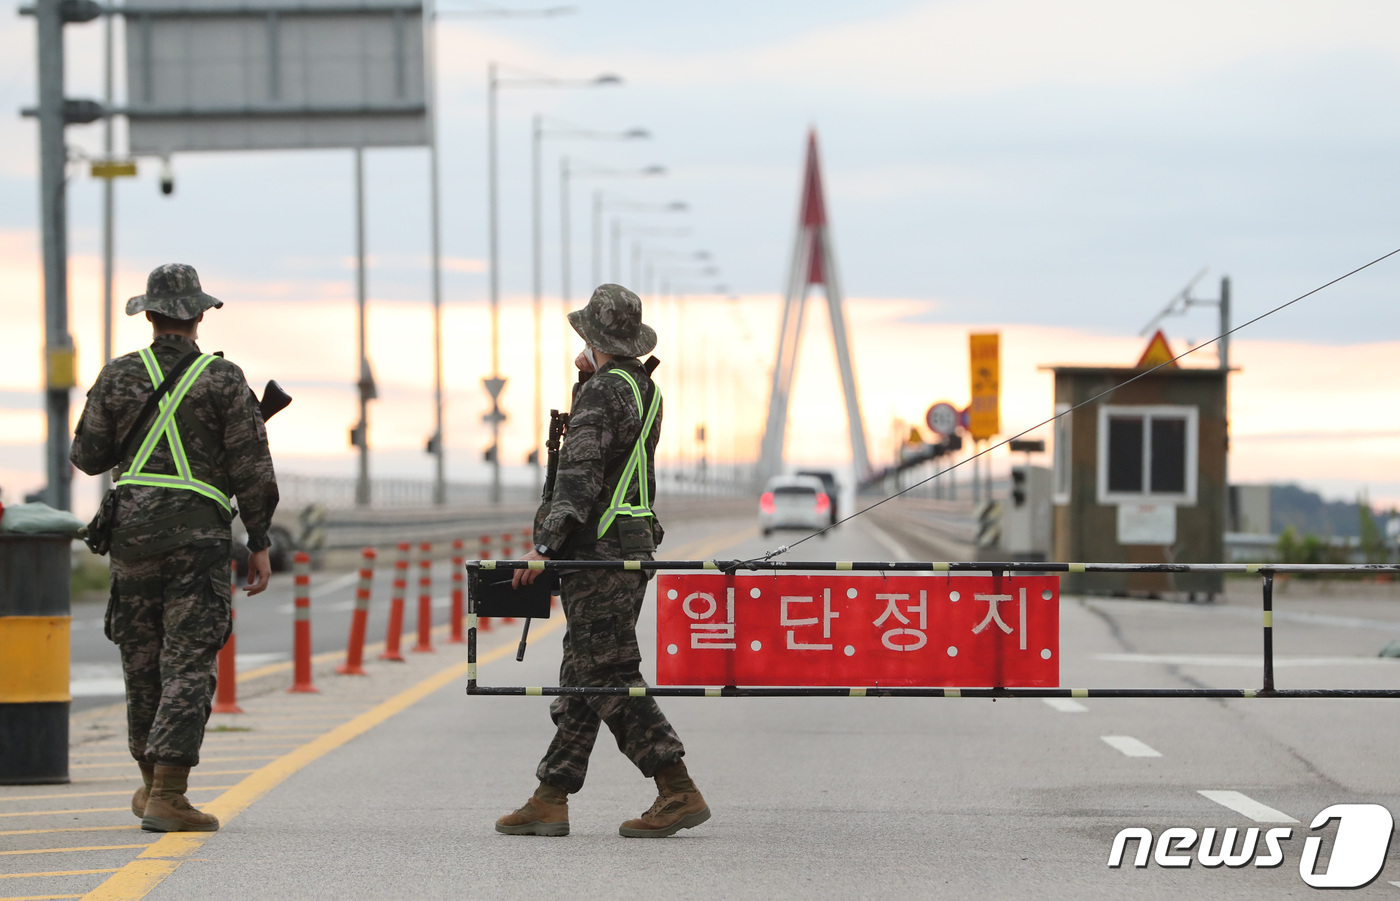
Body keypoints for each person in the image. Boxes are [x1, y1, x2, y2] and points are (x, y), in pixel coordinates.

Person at [496, 284, 709, 839]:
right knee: (584, 670)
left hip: (599, 551)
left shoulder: (600, 395)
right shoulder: (643, 389)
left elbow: (581, 476)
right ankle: (551, 796)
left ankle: (677, 787)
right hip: (631, 544)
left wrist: (544, 547)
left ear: (594, 338)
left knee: (605, 672)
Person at [71, 263, 279, 833]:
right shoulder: (223, 379)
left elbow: (87, 457)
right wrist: (257, 541)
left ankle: (147, 784)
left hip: (131, 535)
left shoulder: (117, 375)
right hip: (197, 537)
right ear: (200, 314)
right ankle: (169, 792)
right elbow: (252, 469)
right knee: (189, 658)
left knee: (141, 658)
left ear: (150, 313)